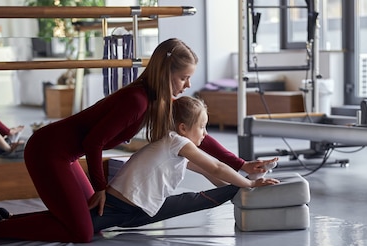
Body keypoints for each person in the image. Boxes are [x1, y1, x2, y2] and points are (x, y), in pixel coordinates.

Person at [0, 38, 275, 243]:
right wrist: (101, 188)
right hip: (47, 151)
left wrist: (241, 165)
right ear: (166, 74)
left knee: (90, 222)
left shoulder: (161, 102)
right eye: (183, 77)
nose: (188, 84)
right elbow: (94, 142)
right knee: (80, 232)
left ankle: (3, 220)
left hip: (66, 156)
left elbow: (195, 137)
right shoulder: (137, 100)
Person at [90, 96, 278, 233]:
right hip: (116, 207)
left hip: (139, 210)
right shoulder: (176, 142)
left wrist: (239, 188)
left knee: (198, 199)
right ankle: (246, 185)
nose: (205, 134)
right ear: (183, 128)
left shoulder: (173, 144)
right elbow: (217, 167)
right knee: (82, 229)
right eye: (202, 127)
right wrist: (250, 184)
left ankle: (243, 188)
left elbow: (208, 173)